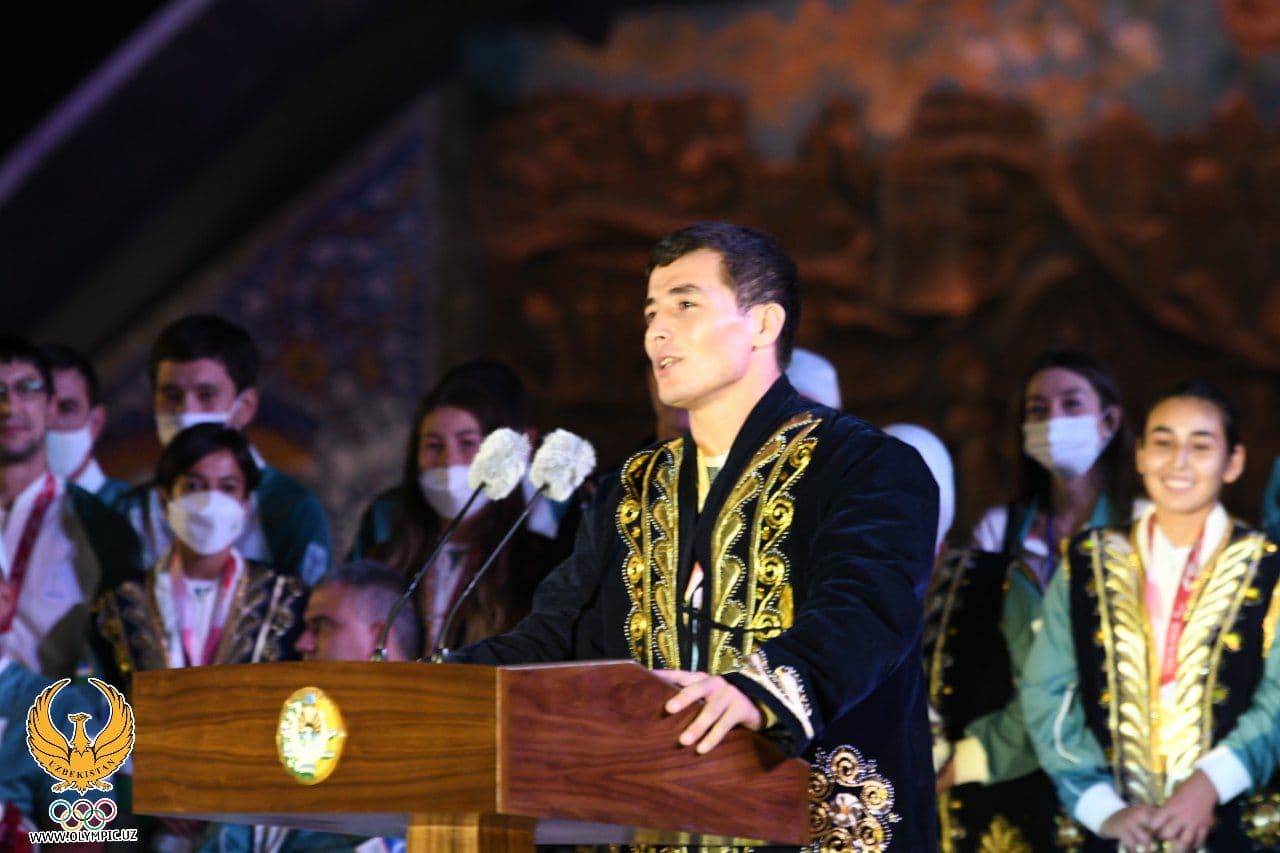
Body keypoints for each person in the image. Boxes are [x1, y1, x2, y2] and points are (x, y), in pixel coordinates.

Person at [450, 222, 940, 850]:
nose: (657, 331)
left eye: (684, 305)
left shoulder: (866, 465)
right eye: (651, 312)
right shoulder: (633, 488)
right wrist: (434, 686)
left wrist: (757, 691)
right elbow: (557, 640)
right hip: (660, 820)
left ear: (763, 324)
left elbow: (865, 609)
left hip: (817, 820)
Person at [1022, 381, 1280, 851]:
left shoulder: (1271, 567)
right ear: (1140, 455)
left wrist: (1211, 783)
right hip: (1117, 827)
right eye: (1163, 442)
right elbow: (1046, 690)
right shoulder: (1087, 560)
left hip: (1235, 823)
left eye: (1201, 445)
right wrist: (1103, 807)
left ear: (1233, 461)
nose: (1179, 461)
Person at [931, 350, 1134, 849]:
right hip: (1011, 769)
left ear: (1109, 421)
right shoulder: (1001, 530)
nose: (1053, 421)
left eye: (1071, 405)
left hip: (1119, 762)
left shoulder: (1143, 526)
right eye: (1038, 410)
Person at [196, 561, 416, 853]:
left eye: (322, 626)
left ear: (380, 639)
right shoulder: (286, 738)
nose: (303, 643)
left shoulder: (426, 753)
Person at [351, 365, 565, 655]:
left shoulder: (534, 553)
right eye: (433, 446)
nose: (448, 462)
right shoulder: (390, 541)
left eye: (467, 444)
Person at [116, 315, 331, 584]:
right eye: (172, 396)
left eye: (206, 395)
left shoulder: (290, 509)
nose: (186, 412)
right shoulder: (130, 510)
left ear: (245, 407)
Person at [93, 424, 306, 692]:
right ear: (164, 501)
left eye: (227, 488)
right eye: (194, 486)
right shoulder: (117, 604)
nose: (210, 503)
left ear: (246, 504)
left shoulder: (286, 598)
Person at [0, 335, 142, 681]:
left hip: (58, 713)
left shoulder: (99, 528)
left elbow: (124, 663)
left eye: (27, 389)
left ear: (50, 406)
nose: (10, 406)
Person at [39, 342, 131, 506]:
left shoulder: (131, 512)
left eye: (66, 408)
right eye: (40, 408)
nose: (50, 421)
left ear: (95, 423)